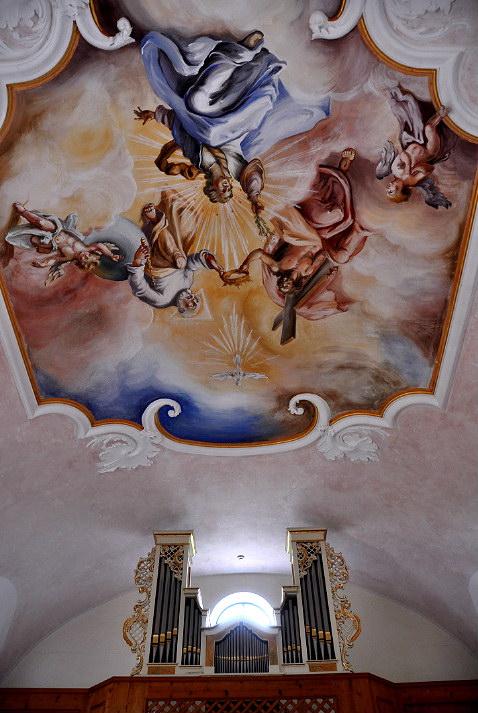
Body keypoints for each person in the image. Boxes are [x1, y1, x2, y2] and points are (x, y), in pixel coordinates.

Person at [134, 29, 330, 217]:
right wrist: (254, 197)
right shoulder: (235, 167)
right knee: (204, 118)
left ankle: (238, 53)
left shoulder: (197, 159)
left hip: (210, 117)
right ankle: (242, 53)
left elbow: (179, 126)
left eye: (222, 192)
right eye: (229, 192)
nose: (227, 189)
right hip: (235, 120)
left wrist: (154, 114)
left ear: (212, 188)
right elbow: (252, 178)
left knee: (195, 101)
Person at [223, 149, 370, 324]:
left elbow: (259, 254)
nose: (283, 286)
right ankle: (361, 228)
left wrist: (245, 265)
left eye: (281, 287)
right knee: (338, 229)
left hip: (301, 231)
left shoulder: (279, 267)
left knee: (325, 214)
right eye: (286, 289)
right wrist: (330, 268)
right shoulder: (307, 272)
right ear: (293, 288)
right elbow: (322, 255)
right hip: (320, 237)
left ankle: (341, 167)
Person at [126, 190, 225, 315]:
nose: (193, 298)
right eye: (196, 299)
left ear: (181, 309)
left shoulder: (163, 300)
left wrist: (138, 261)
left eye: (192, 304)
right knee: (188, 227)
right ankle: (168, 201)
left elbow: (139, 287)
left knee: (178, 262)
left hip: (156, 265)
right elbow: (192, 263)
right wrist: (216, 266)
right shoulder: (187, 283)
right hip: (178, 255)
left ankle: (156, 220)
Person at [376, 85, 456, 209]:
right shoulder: (413, 181)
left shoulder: (394, 170)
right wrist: (418, 169)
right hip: (429, 150)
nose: (388, 188)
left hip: (412, 140)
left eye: (388, 190)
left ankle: (398, 99)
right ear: (400, 192)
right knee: (429, 128)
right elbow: (429, 168)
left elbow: (402, 153)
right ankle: (441, 115)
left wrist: (408, 167)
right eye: (390, 191)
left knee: (406, 117)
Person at [4, 202, 121, 285]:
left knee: (36, 240)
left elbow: (53, 259)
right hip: (57, 230)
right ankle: (23, 212)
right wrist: (111, 255)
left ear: (80, 263)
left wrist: (43, 264)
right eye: (88, 256)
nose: (84, 256)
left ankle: (20, 230)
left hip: (50, 241)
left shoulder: (68, 258)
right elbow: (100, 246)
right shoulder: (87, 248)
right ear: (90, 254)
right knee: (42, 223)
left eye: (84, 260)